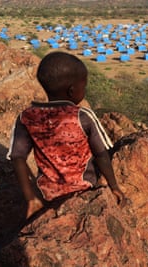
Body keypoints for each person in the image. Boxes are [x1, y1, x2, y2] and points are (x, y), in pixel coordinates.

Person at [7, 51, 125, 218]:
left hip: (47, 195)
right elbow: (102, 155)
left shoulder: (27, 117)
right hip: (85, 192)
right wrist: (114, 187)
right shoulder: (82, 116)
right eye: (83, 86)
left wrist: (31, 198)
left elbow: (17, 157)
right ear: (72, 90)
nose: (84, 89)